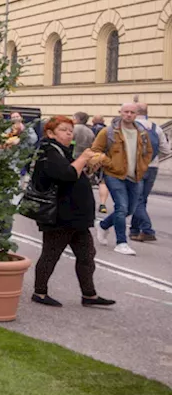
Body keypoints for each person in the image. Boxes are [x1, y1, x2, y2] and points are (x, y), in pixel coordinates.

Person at [30, 116, 115, 308]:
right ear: (50, 133)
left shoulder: (62, 151)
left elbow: (73, 172)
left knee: (86, 254)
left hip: (75, 216)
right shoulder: (48, 151)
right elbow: (66, 175)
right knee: (51, 254)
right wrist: (84, 157)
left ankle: (89, 294)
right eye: (63, 130)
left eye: (70, 130)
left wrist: (86, 165)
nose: (69, 134)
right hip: (60, 215)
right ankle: (40, 292)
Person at [91, 103, 152, 257]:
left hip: (135, 175)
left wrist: (143, 166)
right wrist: (108, 162)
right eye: (126, 112)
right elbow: (95, 151)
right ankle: (121, 243)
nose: (129, 115)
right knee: (122, 207)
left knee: (130, 209)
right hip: (114, 175)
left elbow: (148, 152)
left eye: (132, 112)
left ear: (137, 114)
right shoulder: (109, 132)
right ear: (120, 112)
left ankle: (103, 225)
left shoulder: (142, 133)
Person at [130, 103, 167, 243]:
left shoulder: (131, 126)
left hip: (136, 167)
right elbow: (166, 150)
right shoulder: (155, 127)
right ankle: (134, 230)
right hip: (152, 167)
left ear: (134, 112)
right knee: (142, 199)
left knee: (136, 199)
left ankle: (147, 229)